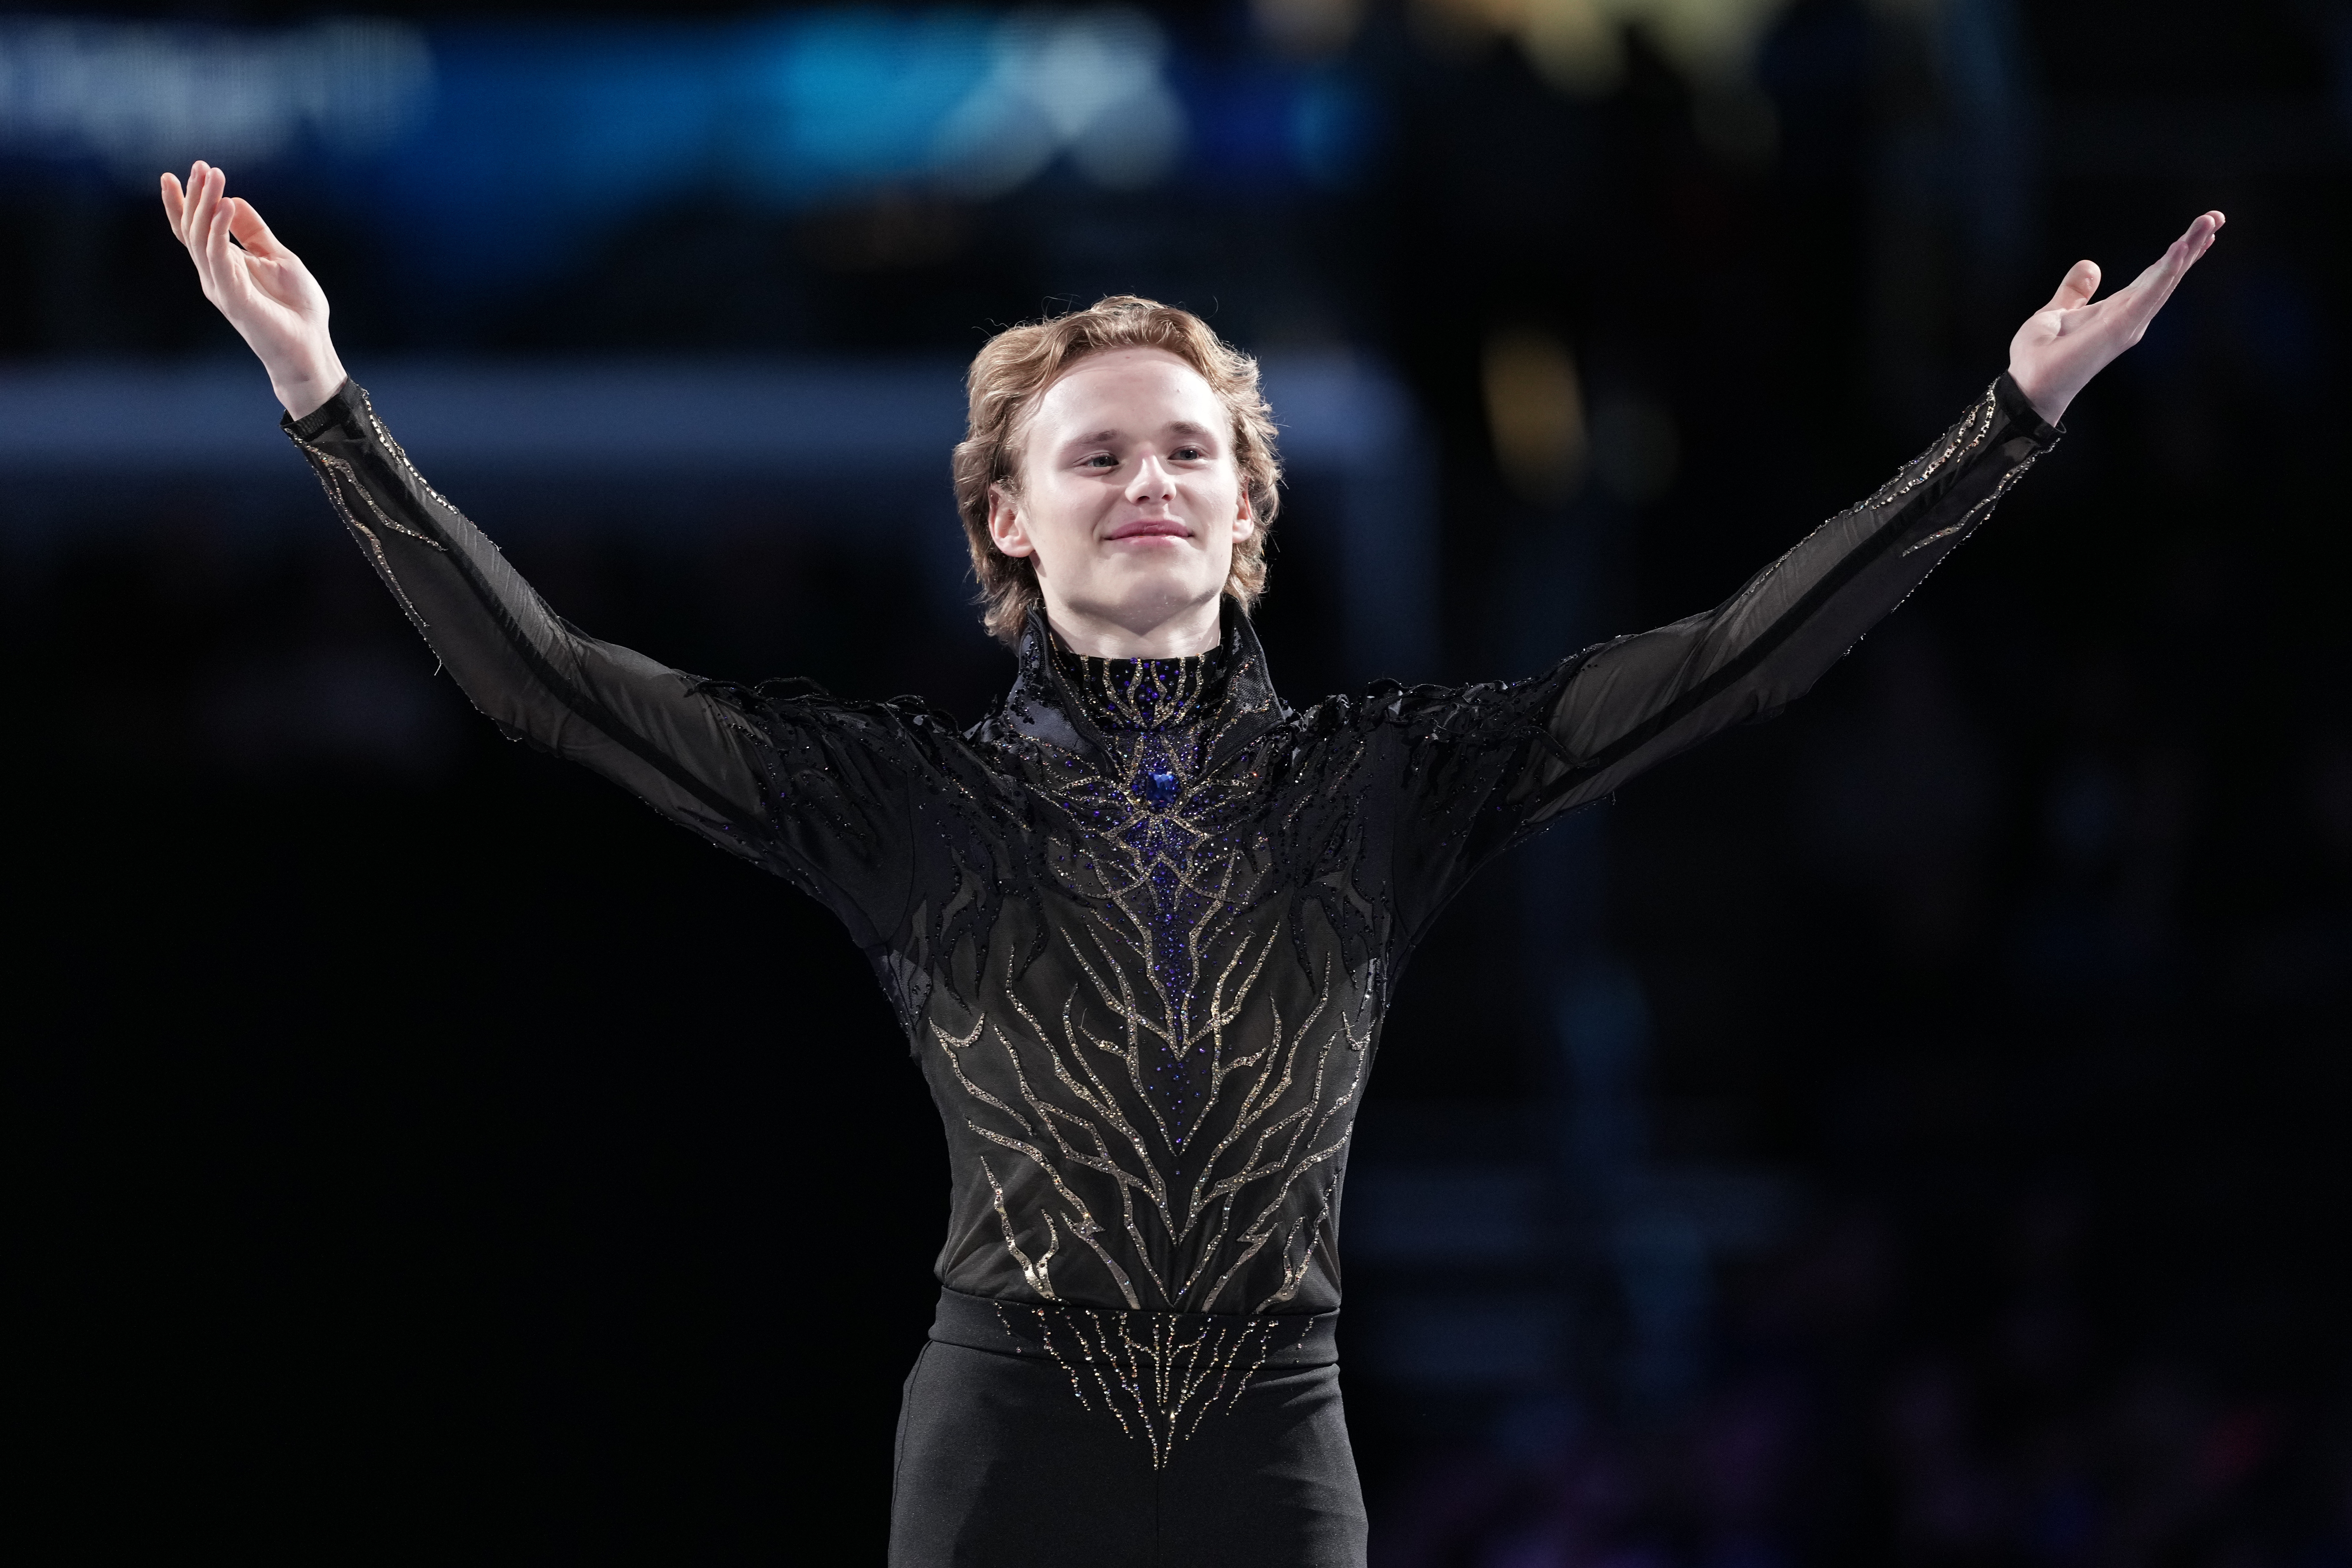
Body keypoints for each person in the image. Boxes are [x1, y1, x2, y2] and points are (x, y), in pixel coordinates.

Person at [161, 159, 2221, 1568]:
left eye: (1186, 453)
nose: (1145, 479)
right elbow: (551, 690)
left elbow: (1732, 663)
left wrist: (2007, 420)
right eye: (1094, 453)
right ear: (1006, 525)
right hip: (1000, 1441)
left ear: (1246, 518)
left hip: (1268, 1450)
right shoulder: (903, 797)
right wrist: (325, 398)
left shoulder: (1385, 781)